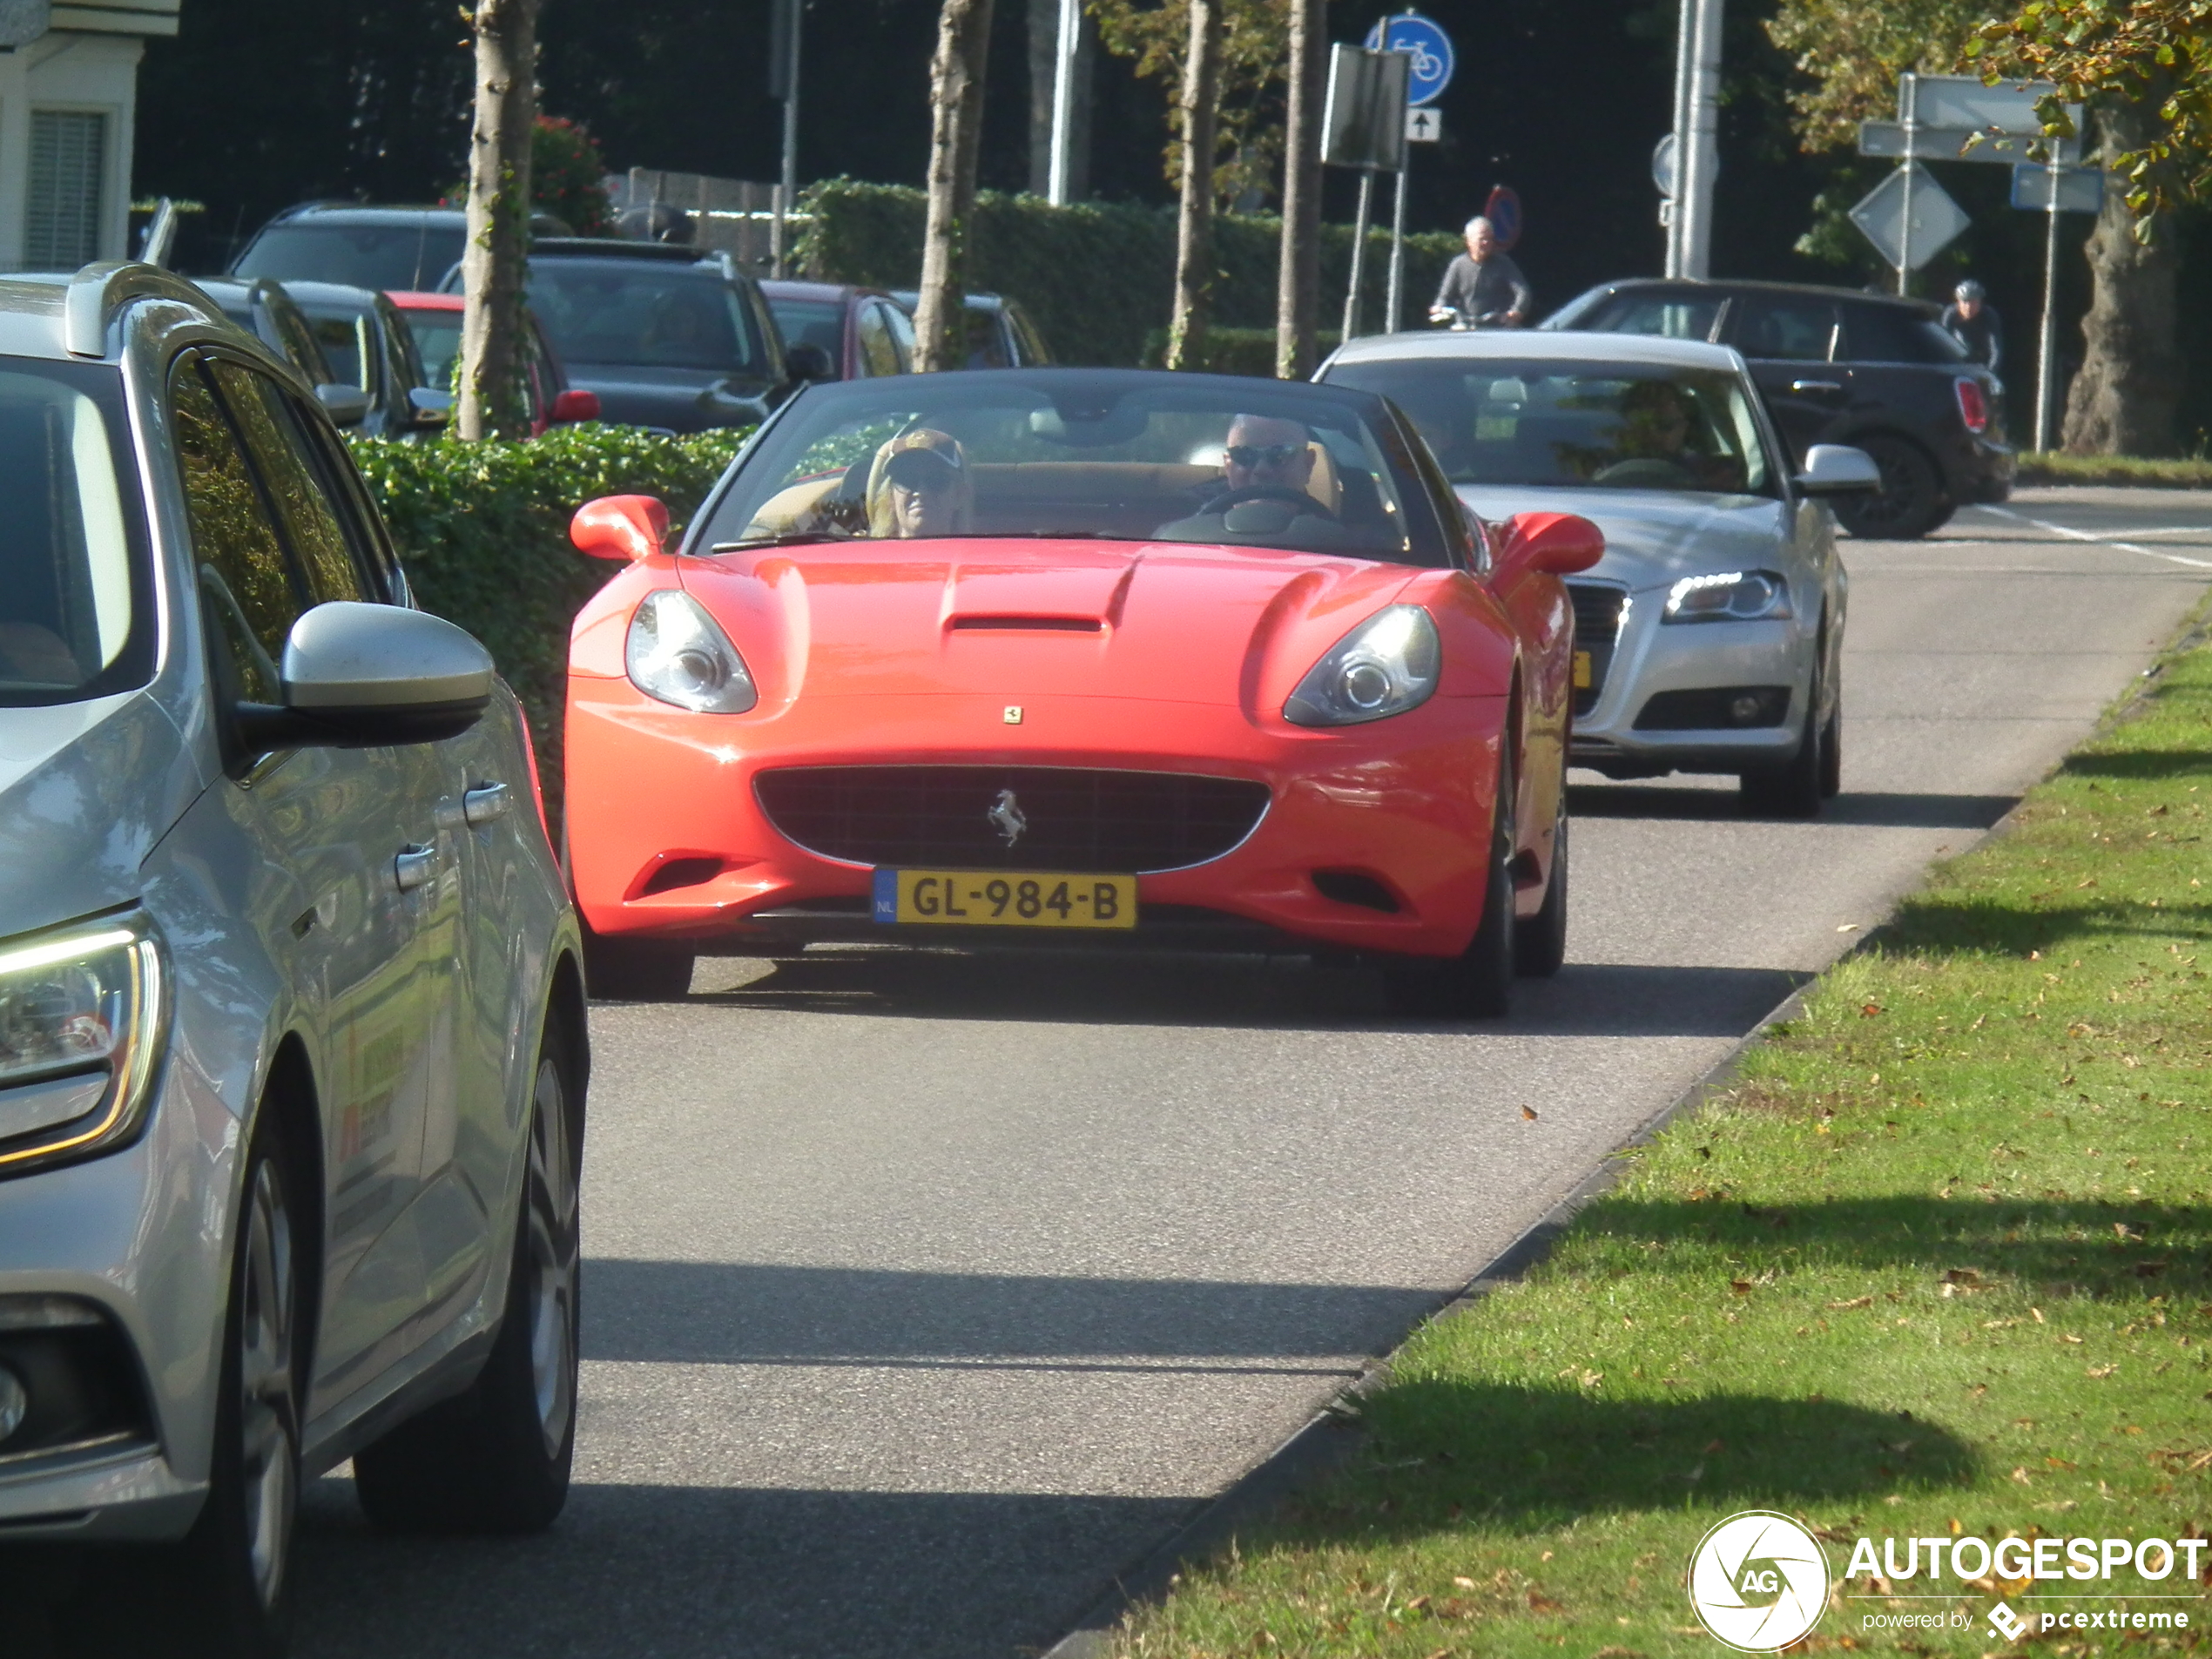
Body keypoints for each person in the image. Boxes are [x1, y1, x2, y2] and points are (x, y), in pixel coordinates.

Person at [1154, 414, 1350, 548]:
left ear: (1308, 464)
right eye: (1244, 455)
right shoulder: (1181, 517)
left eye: (1279, 454)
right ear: (1228, 465)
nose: (1261, 470)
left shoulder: (1352, 525)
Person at [866, 428, 974, 538]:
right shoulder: (862, 554)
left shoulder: (982, 555)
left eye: (936, 480)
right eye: (907, 480)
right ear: (890, 497)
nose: (921, 492)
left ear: (959, 495)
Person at [1429, 216, 1533, 329]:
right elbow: (1444, 296)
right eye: (1482, 239)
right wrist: (1439, 307)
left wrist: (1517, 311)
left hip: (1496, 325)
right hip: (1466, 325)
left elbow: (1522, 291)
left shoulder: (1503, 264)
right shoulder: (1458, 264)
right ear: (1469, 241)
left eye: (1489, 239)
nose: (1486, 243)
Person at [1942, 279, 2002, 373]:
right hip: (1960, 357)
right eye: (1965, 302)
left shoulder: (1989, 315)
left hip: (1982, 356)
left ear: (1980, 302)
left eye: (1973, 302)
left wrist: (1990, 372)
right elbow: (1944, 344)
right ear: (1958, 302)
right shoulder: (1951, 314)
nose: (1969, 307)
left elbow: (1996, 348)